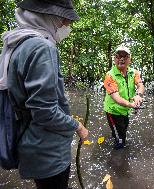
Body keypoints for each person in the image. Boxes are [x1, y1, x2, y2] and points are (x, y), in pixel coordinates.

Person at [0, 0, 89, 188]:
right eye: (64, 20)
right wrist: (77, 126)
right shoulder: (42, 48)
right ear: (50, 17)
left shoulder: (17, 44)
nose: (66, 26)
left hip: (30, 143)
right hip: (48, 152)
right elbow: (45, 112)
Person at [103, 45, 145, 149]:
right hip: (113, 111)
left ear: (129, 59)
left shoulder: (133, 72)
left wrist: (138, 96)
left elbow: (140, 85)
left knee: (124, 128)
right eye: (118, 56)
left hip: (125, 110)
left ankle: (117, 137)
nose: (121, 59)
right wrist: (132, 105)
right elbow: (116, 98)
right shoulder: (110, 75)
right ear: (114, 59)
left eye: (125, 56)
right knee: (120, 140)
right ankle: (118, 157)